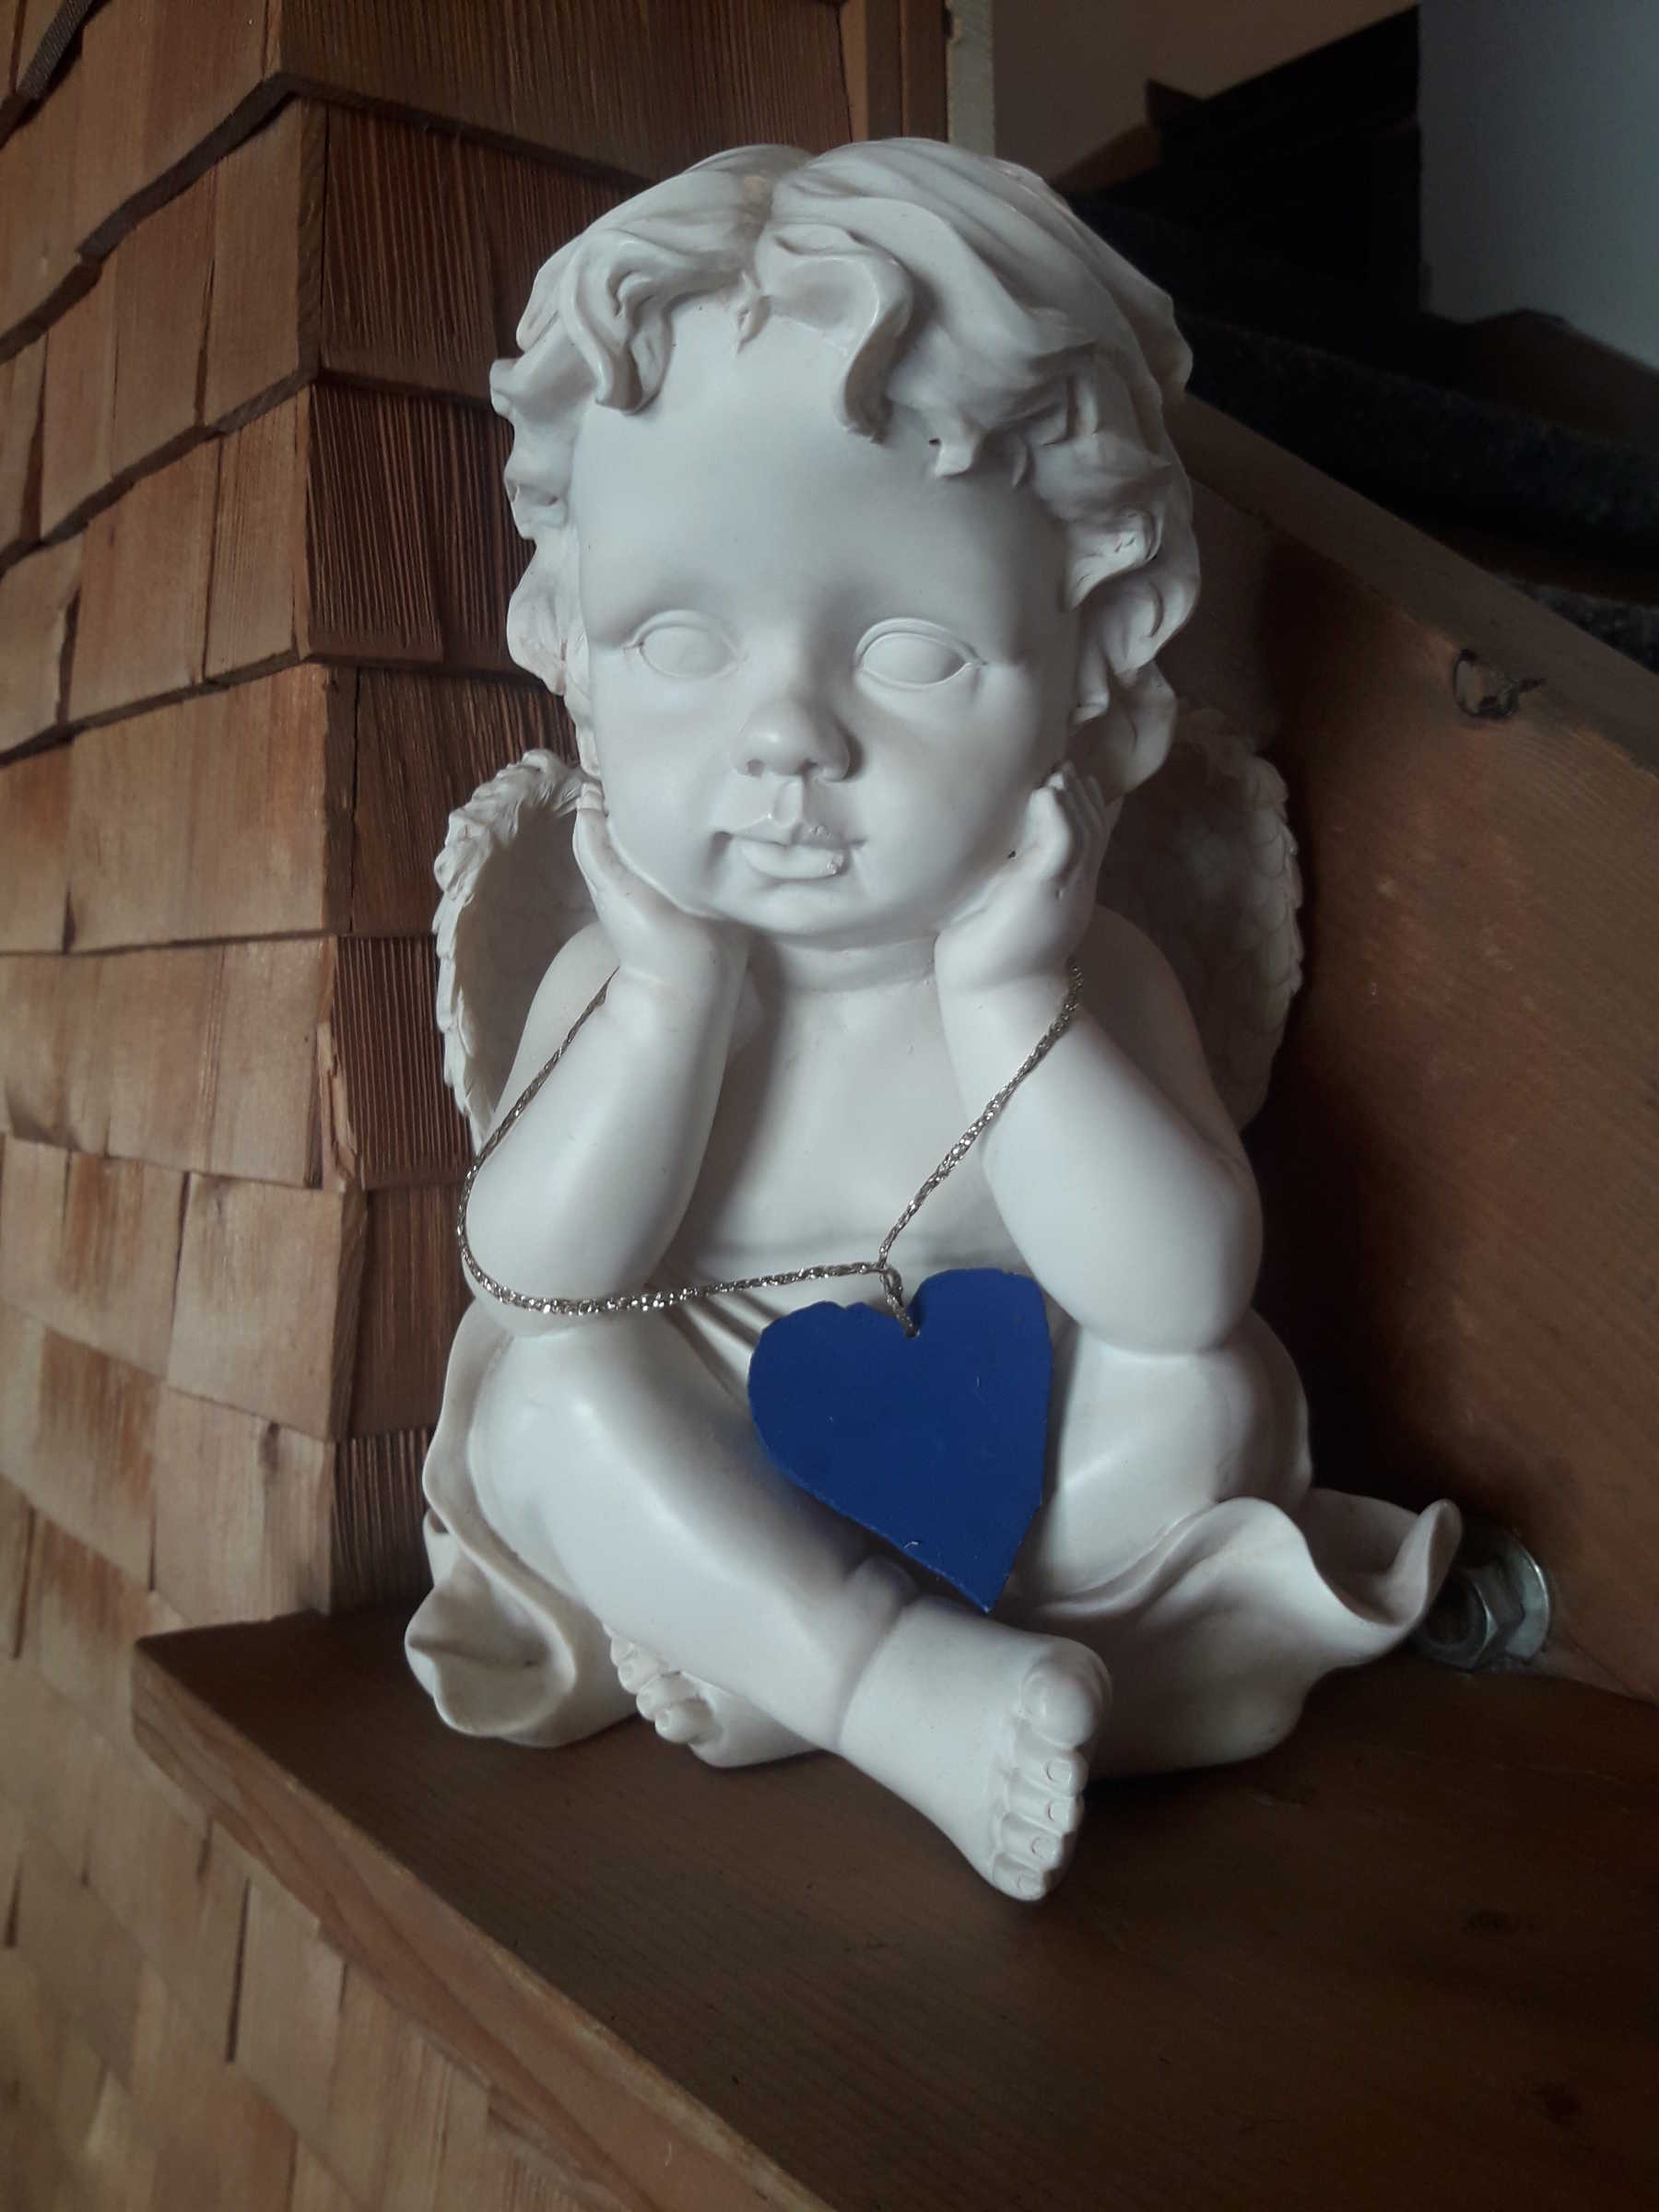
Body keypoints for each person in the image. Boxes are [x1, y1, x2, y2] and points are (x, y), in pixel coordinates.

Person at [406, 140, 1458, 1901]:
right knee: (547, 1413)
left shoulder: (1089, 973)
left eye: (908, 655)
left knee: (1198, 1401)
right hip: (710, 1456)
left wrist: (1008, 998)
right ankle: (884, 1683)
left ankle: (824, 1675)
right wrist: (667, 1004)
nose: (786, 741)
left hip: (1015, 1473)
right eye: (678, 644)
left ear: (1095, 665)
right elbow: (532, 1280)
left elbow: (1180, 1293)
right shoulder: (621, 976)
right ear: (574, 657)